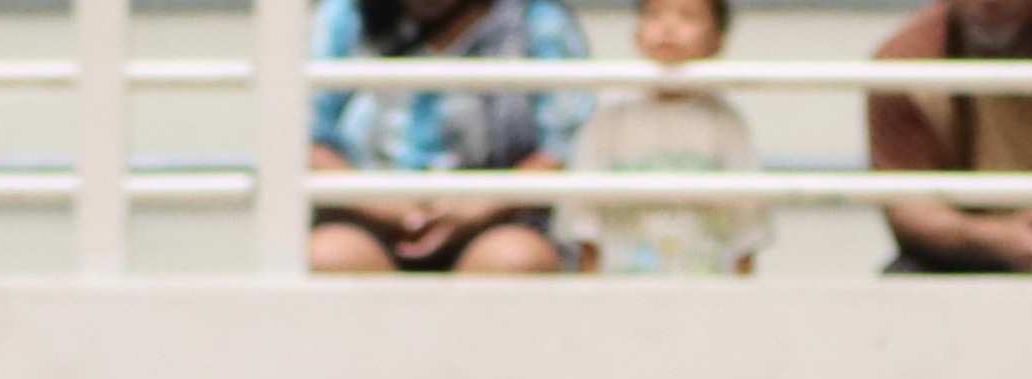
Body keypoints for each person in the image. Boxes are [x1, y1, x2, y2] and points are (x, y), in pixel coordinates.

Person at [306, 0, 590, 274]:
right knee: (327, 256)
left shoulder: (536, 20)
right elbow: (306, 137)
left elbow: (562, 145)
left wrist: (475, 206)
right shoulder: (345, 14)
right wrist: (385, 203)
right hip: (365, 218)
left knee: (516, 260)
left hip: (498, 219)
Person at [868, 0, 1032, 274]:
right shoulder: (903, 63)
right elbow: (908, 207)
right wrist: (993, 238)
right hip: (973, 259)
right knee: (905, 278)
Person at [564, 0, 771, 275]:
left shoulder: (725, 123)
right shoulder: (609, 118)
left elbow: (746, 229)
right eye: (654, 14)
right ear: (636, 32)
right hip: (622, 289)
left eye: (687, 17)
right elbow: (585, 225)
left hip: (704, 290)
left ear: (718, 39)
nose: (668, 27)